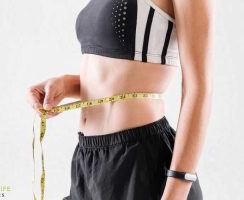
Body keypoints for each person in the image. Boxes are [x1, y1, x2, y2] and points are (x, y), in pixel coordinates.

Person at [27, 0, 215, 199]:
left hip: (139, 161)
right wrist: (66, 85)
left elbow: (199, 88)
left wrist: (176, 190)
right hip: (87, 161)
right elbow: (117, 76)